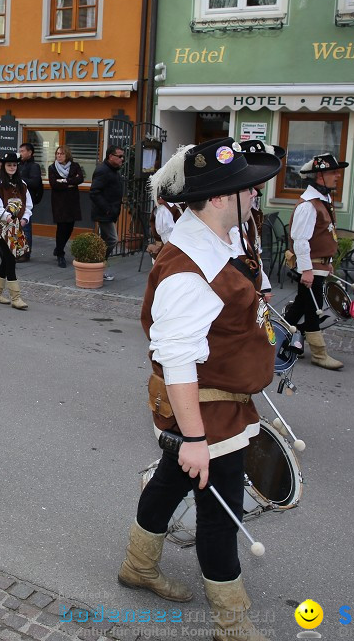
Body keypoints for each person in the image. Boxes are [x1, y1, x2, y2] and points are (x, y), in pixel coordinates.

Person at [118, 138, 280, 641]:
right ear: (217, 199)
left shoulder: (220, 240)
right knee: (220, 514)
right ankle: (232, 623)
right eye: (246, 189)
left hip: (218, 400)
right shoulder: (188, 269)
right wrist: (193, 439)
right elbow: (177, 359)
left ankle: (137, 566)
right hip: (205, 410)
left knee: (171, 482)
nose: (255, 195)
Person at [284, 152, 349, 371]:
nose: (337, 176)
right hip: (310, 266)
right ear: (320, 176)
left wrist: (327, 261)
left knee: (302, 306)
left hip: (317, 264)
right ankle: (319, 354)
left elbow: (323, 235)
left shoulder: (322, 200)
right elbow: (300, 240)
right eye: (333, 172)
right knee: (313, 308)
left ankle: (284, 340)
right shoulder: (309, 205)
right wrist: (307, 271)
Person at [0, 152, 32, 310]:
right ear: (4, 167)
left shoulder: (22, 185)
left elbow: (28, 205)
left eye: (14, 165)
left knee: (7, 260)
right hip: (2, 228)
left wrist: (25, 218)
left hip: (16, 229)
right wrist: (7, 217)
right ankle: (16, 297)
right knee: (10, 259)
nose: (12, 167)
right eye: (9, 165)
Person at [90, 145, 125, 281]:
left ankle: (98, 267)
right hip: (104, 213)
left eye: (123, 156)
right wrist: (108, 209)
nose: (122, 159)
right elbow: (94, 192)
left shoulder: (113, 170)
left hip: (109, 212)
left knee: (104, 241)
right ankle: (97, 263)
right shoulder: (103, 170)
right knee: (112, 239)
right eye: (120, 156)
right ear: (111, 156)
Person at [48, 145, 85, 267]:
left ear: (67, 155)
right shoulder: (52, 168)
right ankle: (60, 254)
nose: (59, 156)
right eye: (57, 154)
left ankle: (59, 248)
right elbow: (54, 184)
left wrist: (64, 181)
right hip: (59, 202)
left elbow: (80, 179)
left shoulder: (75, 166)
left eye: (62, 154)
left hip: (72, 202)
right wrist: (69, 182)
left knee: (70, 227)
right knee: (61, 227)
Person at [18, 143, 44, 255]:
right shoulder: (18, 165)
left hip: (27, 200)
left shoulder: (34, 166)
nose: (21, 153)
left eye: (23, 151)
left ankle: (26, 252)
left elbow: (34, 183)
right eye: (20, 151)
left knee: (26, 226)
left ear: (30, 152)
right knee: (18, 226)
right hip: (16, 200)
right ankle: (19, 250)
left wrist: (19, 179)